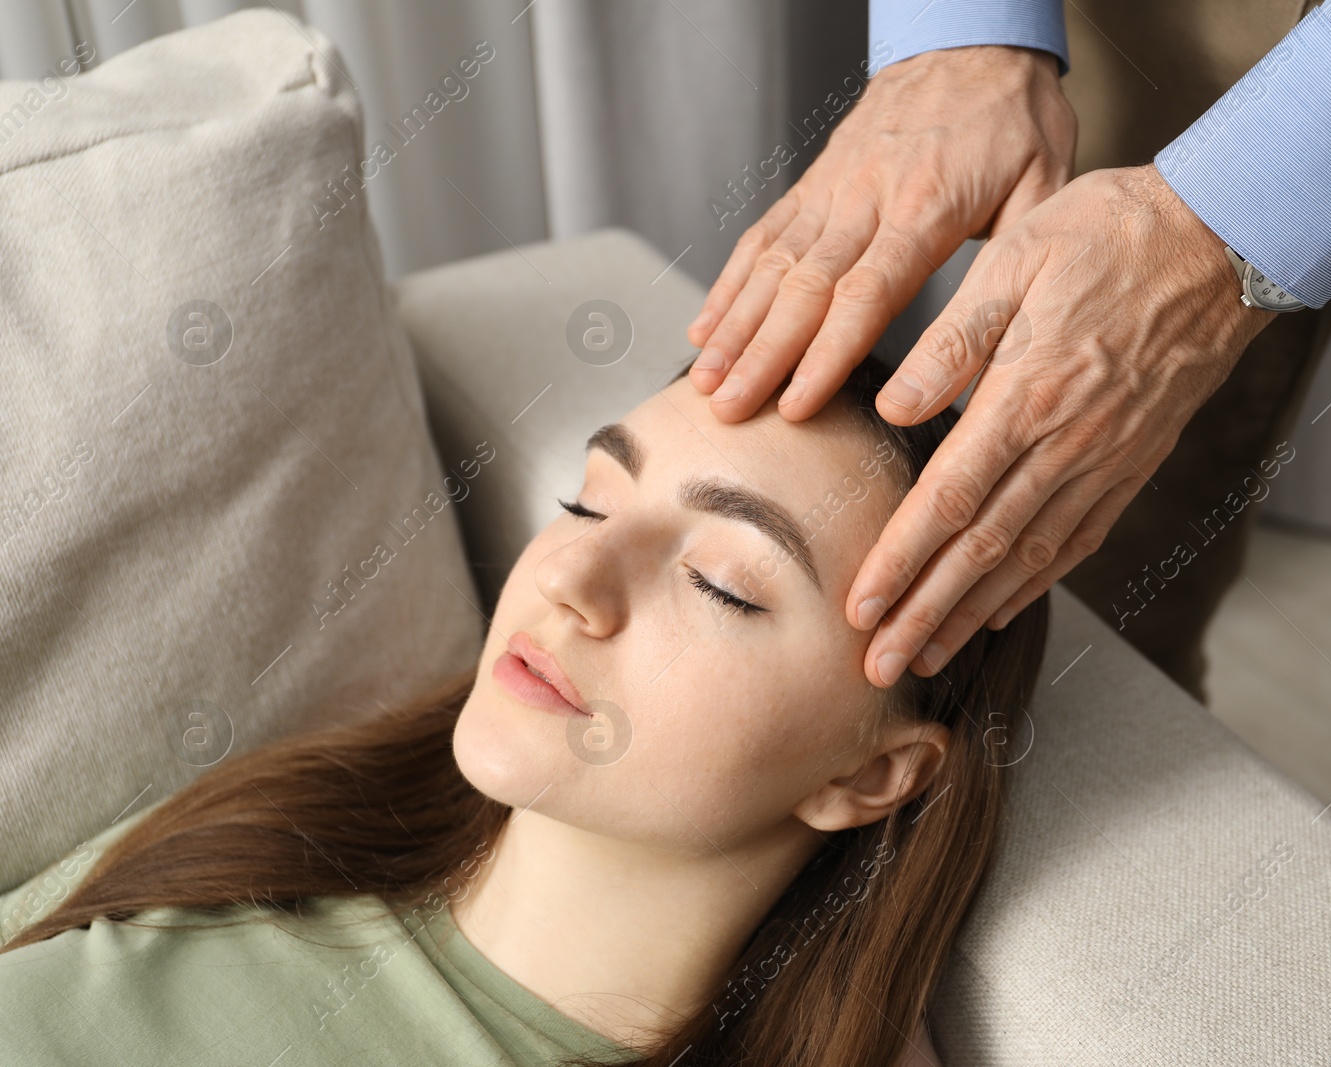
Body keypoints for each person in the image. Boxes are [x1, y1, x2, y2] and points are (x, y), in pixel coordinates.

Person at [682, 0, 1331, 1042]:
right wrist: (958, 31)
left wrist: (1227, 212)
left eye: (724, 581)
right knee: (1054, 663)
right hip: (1145, 29)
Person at [0, 351, 1049, 1067]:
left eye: (721, 581)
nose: (571, 575)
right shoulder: (263, 831)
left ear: (867, 774)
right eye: (589, 501)